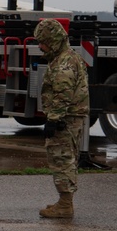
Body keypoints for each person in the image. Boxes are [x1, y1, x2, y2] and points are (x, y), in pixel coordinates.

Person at [34, 18, 89, 219]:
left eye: (43, 41)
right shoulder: (69, 57)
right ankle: (64, 202)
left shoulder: (64, 62)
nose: (40, 46)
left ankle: (65, 205)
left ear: (54, 40)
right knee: (66, 156)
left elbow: (63, 91)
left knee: (61, 157)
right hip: (71, 116)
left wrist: (54, 119)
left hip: (65, 118)